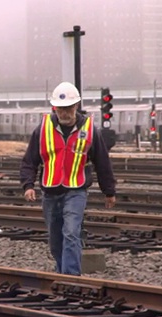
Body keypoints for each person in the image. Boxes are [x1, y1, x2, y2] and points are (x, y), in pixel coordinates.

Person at [20, 81, 116, 276]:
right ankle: (61, 271)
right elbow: (30, 160)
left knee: (71, 233)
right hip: (50, 192)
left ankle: (71, 278)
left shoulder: (89, 130)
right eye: (61, 109)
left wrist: (109, 191)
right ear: (54, 108)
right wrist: (28, 185)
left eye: (69, 108)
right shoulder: (43, 129)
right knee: (55, 239)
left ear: (76, 107)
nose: (65, 113)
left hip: (76, 191)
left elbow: (102, 162)